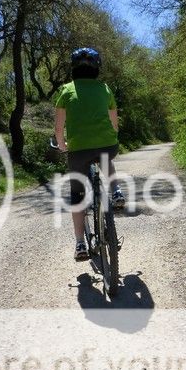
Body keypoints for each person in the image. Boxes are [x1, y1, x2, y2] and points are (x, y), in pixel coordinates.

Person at [54, 47, 126, 261]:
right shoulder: (105, 88)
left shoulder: (66, 90)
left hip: (78, 150)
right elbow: (114, 122)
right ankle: (116, 190)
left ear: (73, 69)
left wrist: (62, 145)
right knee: (106, 159)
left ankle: (80, 244)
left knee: (77, 196)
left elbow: (59, 129)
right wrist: (111, 134)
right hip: (107, 145)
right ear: (97, 68)